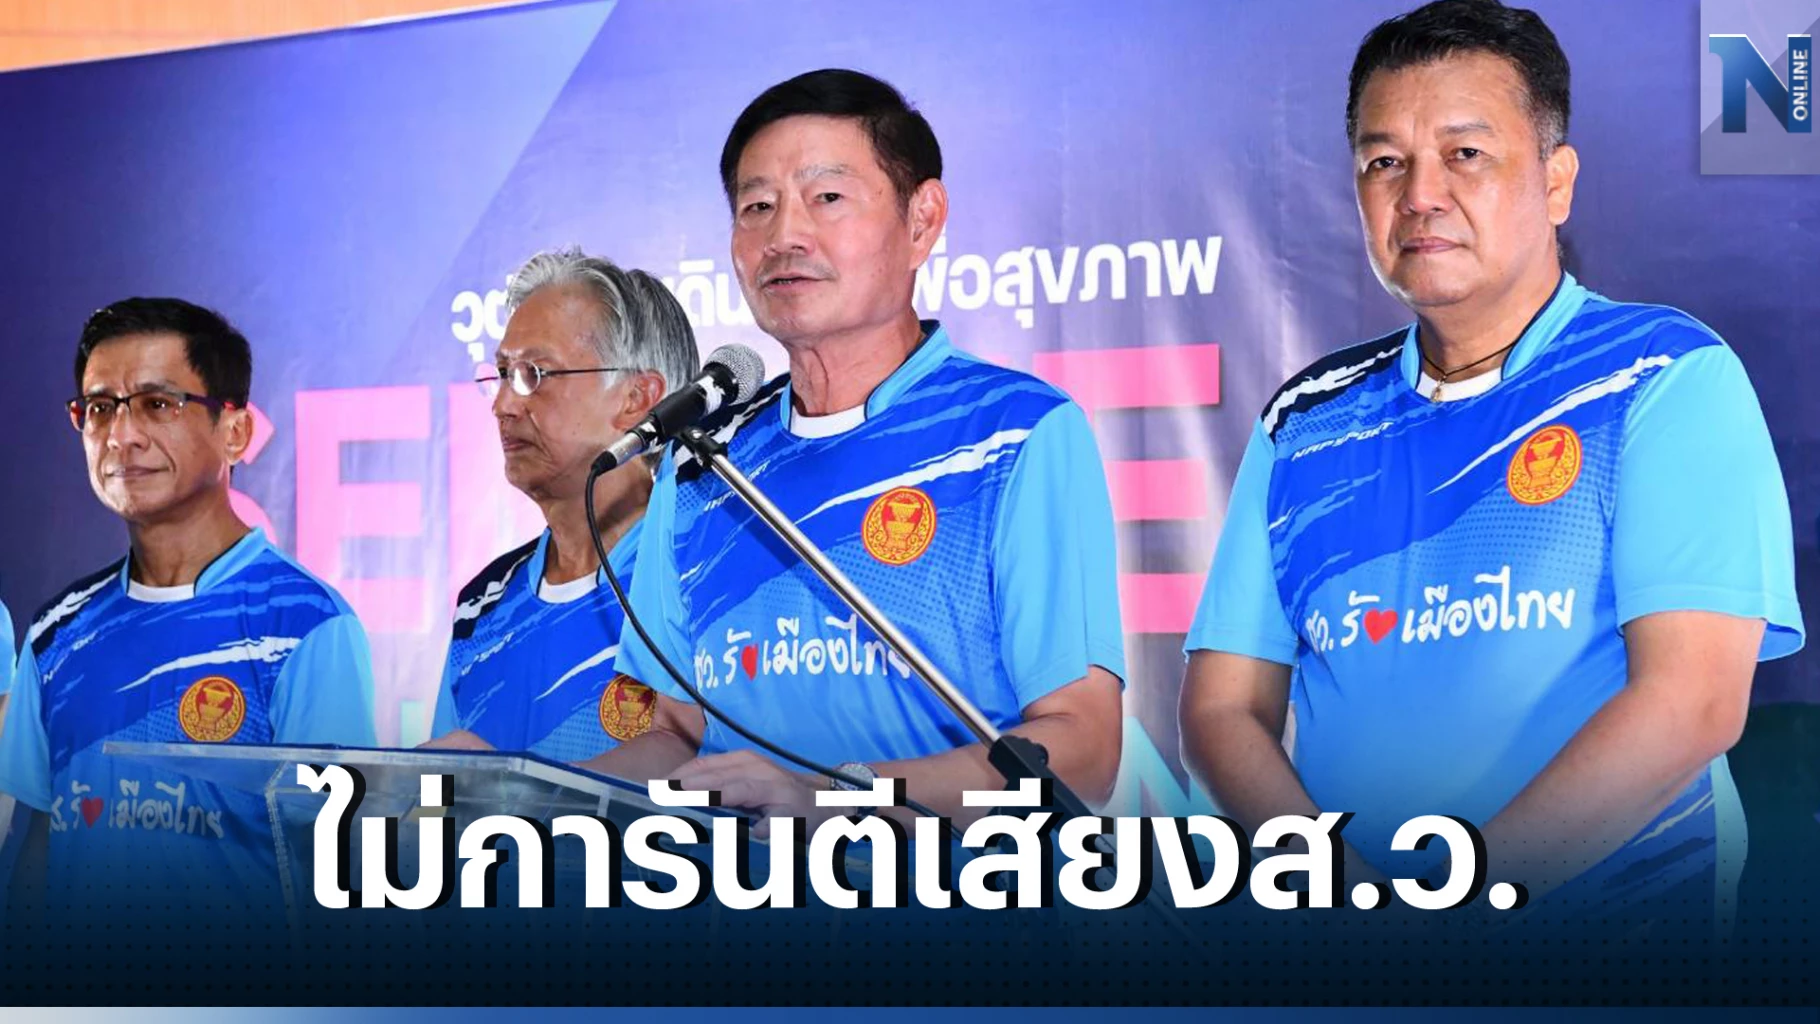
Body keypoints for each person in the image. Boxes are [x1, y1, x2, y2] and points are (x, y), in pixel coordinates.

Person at [1180, 0, 1803, 918]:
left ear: (1556, 182)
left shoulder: (1664, 376)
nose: (1420, 195)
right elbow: (1221, 710)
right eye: (1385, 162)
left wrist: (1457, 905)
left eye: (1465, 153)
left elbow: (1695, 701)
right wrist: (1341, 895)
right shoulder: (1304, 422)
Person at [585, 69, 1124, 827]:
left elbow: (1085, 748)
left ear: (923, 220)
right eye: (757, 207)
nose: (784, 236)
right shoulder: (704, 462)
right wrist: (514, 796)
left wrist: (841, 799)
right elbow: (673, 735)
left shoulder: (1014, 432)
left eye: (827, 197)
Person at [0, 298, 377, 906]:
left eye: (157, 404)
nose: (121, 436)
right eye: (99, 408)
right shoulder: (57, 632)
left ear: (235, 432)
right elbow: (35, 849)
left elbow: (338, 878)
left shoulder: (306, 626)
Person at [424, 248, 699, 760]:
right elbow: (443, 792)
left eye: (534, 374)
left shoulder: (701, 569)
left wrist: (516, 793)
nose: (503, 405)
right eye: (502, 374)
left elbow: (737, 776)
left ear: (637, 399)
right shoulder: (483, 605)